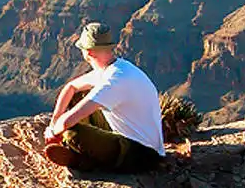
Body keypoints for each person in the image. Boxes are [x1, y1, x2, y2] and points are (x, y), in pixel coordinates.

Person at [43, 21, 165, 172]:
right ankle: (89, 155)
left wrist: (53, 132)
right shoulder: (117, 67)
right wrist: (55, 120)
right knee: (78, 96)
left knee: (72, 133)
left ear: (88, 52)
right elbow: (71, 87)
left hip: (141, 154)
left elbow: (67, 121)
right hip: (132, 138)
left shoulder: (114, 81)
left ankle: (83, 161)